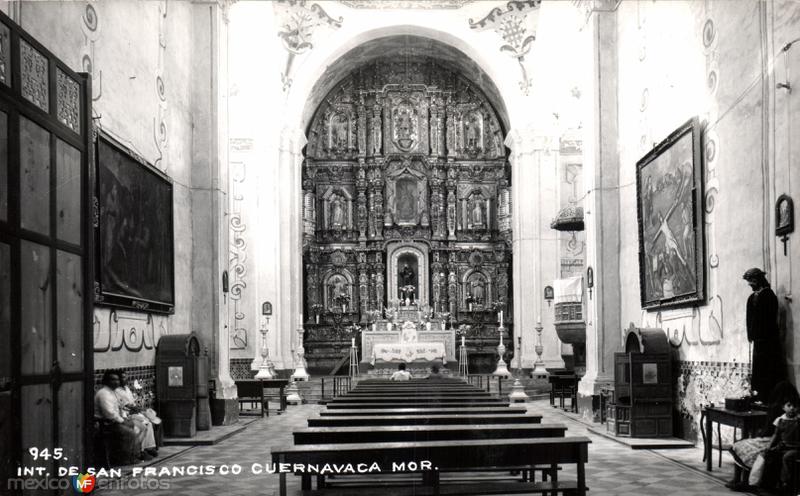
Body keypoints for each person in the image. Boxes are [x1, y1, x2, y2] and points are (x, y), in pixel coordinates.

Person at [729, 381, 799, 490]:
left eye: (793, 406)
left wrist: (762, 437)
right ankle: (741, 480)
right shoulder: (788, 415)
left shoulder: (779, 410)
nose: (792, 408)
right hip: (777, 440)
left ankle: (742, 481)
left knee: (741, 446)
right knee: (744, 445)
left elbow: (771, 432)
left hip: (775, 441)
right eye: (789, 405)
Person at [743, 268, 785, 401]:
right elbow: (749, 318)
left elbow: (768, 319)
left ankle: (769, 396)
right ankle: (760, 394)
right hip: (758, 341)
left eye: (752, 282)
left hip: (768, 341)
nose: (750, 285)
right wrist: (751, 335)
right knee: (759, 369)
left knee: (769, 368)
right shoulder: (751, 298)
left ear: (758, 280)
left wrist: (761, 335)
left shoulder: (768, 296)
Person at [94, 370, 146, 463]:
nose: (116, 382)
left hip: (114, 422)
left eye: (117, 380)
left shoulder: (111, 392)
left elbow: (118, 408)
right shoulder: (103, 393)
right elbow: (109, 414)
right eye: (113, 379)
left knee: (139, 427)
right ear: (106, 381)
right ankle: (125, 459)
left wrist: (124, 419)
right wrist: (123, 421)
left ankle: (134, 454)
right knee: (131, 433)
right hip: (107, 425)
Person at [115, 371, 159, 458]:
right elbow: (123, 405)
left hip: (132, 412)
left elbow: (132, 402)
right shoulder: (117, 391)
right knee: (142, 425)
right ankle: (139, 451)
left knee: (149, 423)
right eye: (123, 377)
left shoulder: (126, 388)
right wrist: (132, 409)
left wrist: (137, 407)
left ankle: (148, 447)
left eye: (126, 377)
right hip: (125, 414)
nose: (125, 379)